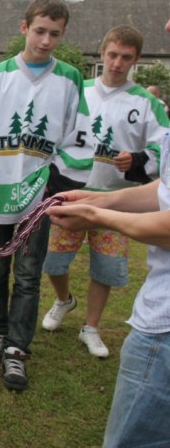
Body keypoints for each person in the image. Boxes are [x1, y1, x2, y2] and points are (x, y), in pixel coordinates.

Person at [0, 0, 94, 391]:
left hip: (39, 196)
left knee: (30, 274)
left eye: (55, 33)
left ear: (63, 34)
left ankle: (17, 350)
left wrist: (58, 188)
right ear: (24, 28)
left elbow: (79, 137)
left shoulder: (70, 79)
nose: (46, 40)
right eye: (40, 31)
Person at [41, 26, 169, 358]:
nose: (117, 63)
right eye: (112, 55)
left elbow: (162, 152)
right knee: (53, 261)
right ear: (102, 53)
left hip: (118, 201)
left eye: (126, 57)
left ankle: (91, 326)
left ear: (136, 60)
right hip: (72, 193)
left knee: (106, 267)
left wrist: (139, 160)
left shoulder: (147, 103)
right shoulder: (78, 91)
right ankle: (64, 300)